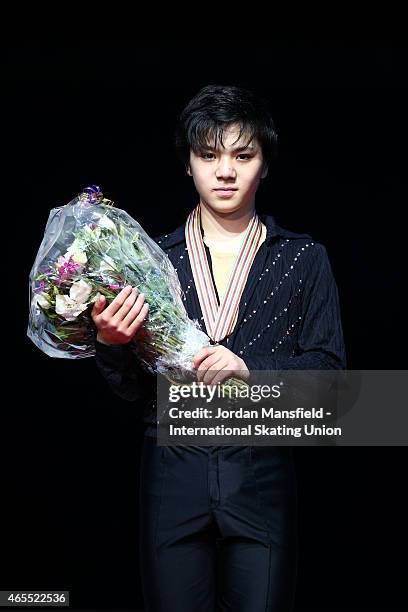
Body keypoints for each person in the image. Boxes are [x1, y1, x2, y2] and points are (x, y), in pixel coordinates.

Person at [91, 84, 346, 611]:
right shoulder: (148, 260)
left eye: (242, 155)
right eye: (208, 155)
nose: (225, 171)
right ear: (188, 164)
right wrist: (111, 344)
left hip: (261, 463)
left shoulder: (303, 258)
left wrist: (249, 367)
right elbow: (133, 390)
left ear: (265, 165)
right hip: (172, 464)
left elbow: (330, 379)